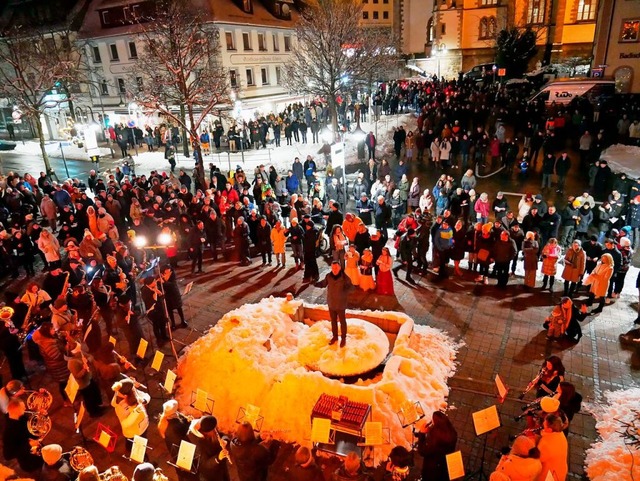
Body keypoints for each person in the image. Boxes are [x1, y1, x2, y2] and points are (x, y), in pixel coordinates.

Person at [3, 398, 43, 472]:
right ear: (16, 410)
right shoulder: (9, 431)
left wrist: (41, 416)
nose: (25, 408)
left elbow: (31, 428)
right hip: (29, 462)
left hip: (37, 451)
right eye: (22, 407)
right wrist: (29, 444)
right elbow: (8, 455)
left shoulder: (22, 417)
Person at [317, 261, 352, 347]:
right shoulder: (329, 276)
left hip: (340, 303)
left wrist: (347, 289)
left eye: (336, 268)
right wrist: (315, 283)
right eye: (333, 268)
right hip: (331, 303)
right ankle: (335, 337)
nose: (334, 270)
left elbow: (351, 287)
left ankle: (343, 338)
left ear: (340, 268)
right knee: (333, 321)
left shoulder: (344, 277)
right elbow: (323, 283)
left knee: (342, 322)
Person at [416, 411, 458, 481]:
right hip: (445, 465)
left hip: (432, 469)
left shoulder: (435, 441)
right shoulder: (452, 433)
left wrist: (422, 434)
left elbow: (422, 451)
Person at [187, 415, 231, 481]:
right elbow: (204, 464)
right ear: (207, 432)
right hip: (211, 475)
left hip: (220, 468)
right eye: (214, 429)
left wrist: (225, 441)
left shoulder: (207, 424)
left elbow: (222, 435)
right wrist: (218, 458)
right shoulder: (198, 442)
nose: (215, 430)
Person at [536, 414, 568, 481]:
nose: (543, 425)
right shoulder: (560, 434)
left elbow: (537, 458)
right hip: (560, 471)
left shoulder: (546, 443)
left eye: (544, 425)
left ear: (549, 429)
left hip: (549, 475)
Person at [161, 264, 188, 329]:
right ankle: (173, 323)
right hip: (167, 295)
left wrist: (164, 282)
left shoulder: (172, 274)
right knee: (169, 310)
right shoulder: (161, 275)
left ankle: (183, 320)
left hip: (175, 293)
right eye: (166, 269)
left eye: (169, 269)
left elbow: (172, 285)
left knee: (179, 307)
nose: (168, 270)